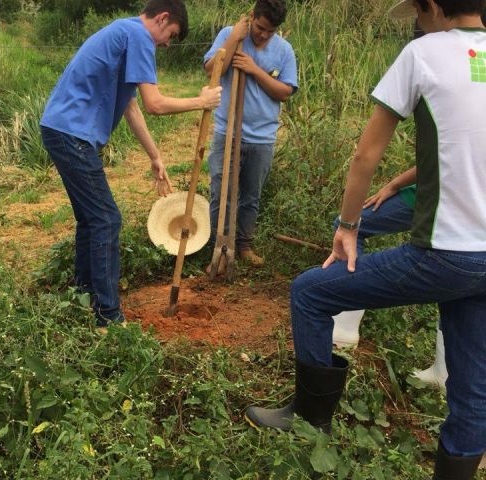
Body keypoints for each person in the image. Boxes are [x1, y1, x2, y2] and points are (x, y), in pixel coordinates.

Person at [245, 1, 486, 478]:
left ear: (434, 7)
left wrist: (348, 226)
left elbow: (365, 154)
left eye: (418, 11)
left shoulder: (423, 52)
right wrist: (405, 180)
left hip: (446, 255)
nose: (416, 22)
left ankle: (310, 420)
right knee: (472, 392)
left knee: (311, 292)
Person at [39, 0, 222, 327]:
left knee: (91, 219)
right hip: (72, 133)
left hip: (60, 129)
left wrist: (155, 156)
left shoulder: (123, 32)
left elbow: (132, 106)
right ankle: (109, 317)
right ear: (163, 18)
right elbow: (155, 104)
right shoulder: (138, 36)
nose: (167, 43)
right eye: (171, 35)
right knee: (107, 220)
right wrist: (202, 101)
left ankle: (82, 297)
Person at [331, 168, 449, 388]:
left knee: (350, 223)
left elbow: (436, 156)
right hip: (473, 209)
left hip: (439, 191)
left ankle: (344, 326)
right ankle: (445, 372)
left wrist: (395, 184)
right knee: (460, 268)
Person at [203, 0, 298, 270]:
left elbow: (285, 92)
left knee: (250, 196)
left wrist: (254, 70)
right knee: (221, 190)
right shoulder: (229, 35)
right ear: (252, 17)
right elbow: (213, 71)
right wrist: (235, 38)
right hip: (227, 130)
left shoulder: (284, 50)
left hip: (262, 137)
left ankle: (243, 246)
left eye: (271, 30)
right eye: (260, 28)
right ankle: (219, 246)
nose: (264, 34)